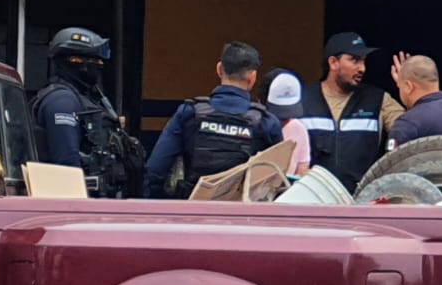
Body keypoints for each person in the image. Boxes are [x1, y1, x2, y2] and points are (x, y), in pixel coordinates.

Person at [144, 43, 283, 198]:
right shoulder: (266, 122)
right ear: (252, 77)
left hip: (194, 212)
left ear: (219, 69)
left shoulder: (190, 113)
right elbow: (277, 180)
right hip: (242, 215)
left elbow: (156, 170)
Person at [32, 27, 144, 198]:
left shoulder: (90, 99)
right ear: (75, 60)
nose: (100, 66)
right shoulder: (62, 102)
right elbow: (66, 166)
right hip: (78, 204)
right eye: (95, 61)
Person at [299, 32, 404, 190]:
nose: (362, 68)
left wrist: (408, 88)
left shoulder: (378, 99)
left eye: (363, 61)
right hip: (312, 199)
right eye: (354, 60)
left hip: (362, 200)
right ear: (333, 62)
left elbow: (413, 129)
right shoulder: (302, 98)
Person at [263, 69, 312, 177]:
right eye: (279, 116)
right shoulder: (253, 127)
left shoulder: (298, 128)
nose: (285, 120)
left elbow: (302, 171)